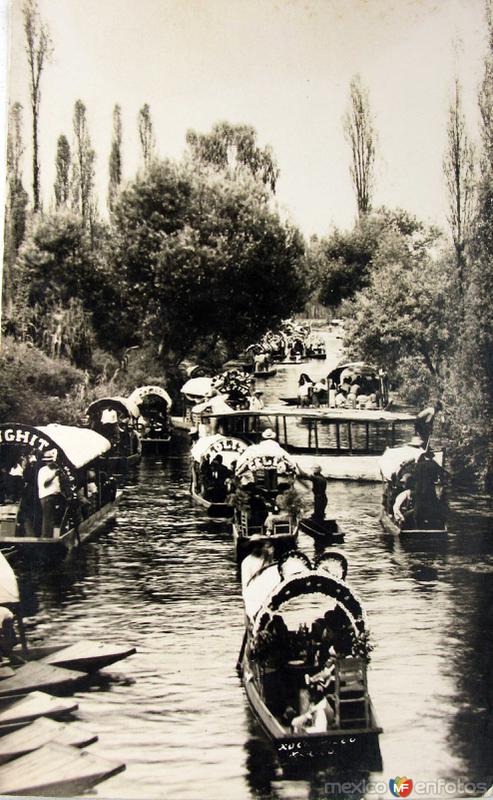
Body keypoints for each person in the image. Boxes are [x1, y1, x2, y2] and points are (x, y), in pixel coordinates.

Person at [37, 449, 66, 538]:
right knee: (47, 519)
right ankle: (45, 538)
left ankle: (55, 536)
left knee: (55, 518)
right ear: (45, 462)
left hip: (55, 496)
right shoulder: (43, 470)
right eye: (48, 461)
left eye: (51, 461)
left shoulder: (55, 469)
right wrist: (54, 475)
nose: (50, 463)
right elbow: (45, 484)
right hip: (46, 497)